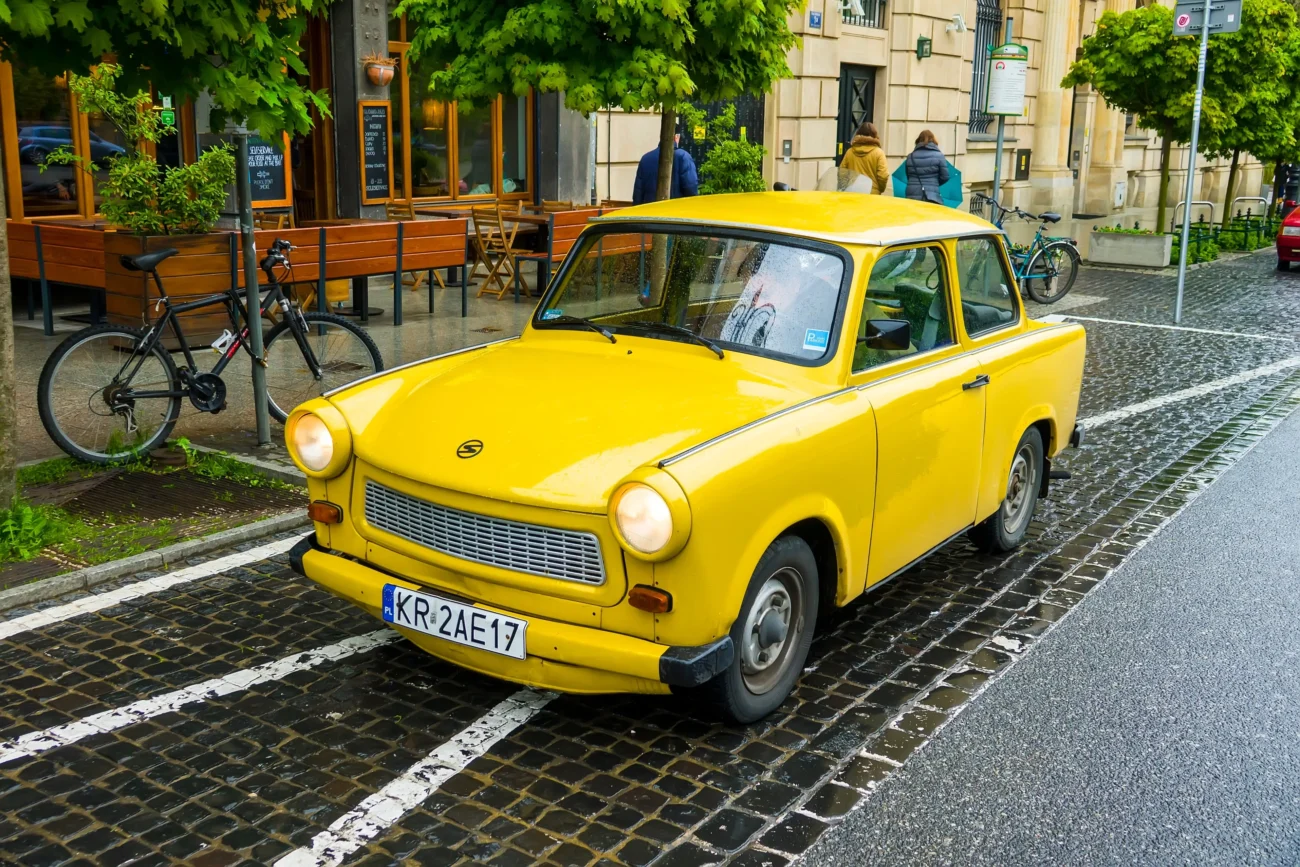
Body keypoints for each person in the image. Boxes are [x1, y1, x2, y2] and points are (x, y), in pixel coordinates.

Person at [632, 133, 699, 205]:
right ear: (676, 137)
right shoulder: (683, 156)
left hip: (650, 211)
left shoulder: (645, 158)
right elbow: (691, 188)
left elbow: (638, 193)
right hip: (674, 210)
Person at [839, 121, 888, 194]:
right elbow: (883, 176)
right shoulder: (879, 153)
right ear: (875, 135)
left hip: (853, 192)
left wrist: (846, 187)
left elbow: (842, 173)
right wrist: (879, 189)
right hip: (872, 194)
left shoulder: (850, 152)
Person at [904, 129, 950, 203]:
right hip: (932, 195)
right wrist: (934, 182)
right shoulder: (939, 156)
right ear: (933, 140)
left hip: (912, 194)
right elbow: (945, 177)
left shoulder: (911, 156)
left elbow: (908, 175)